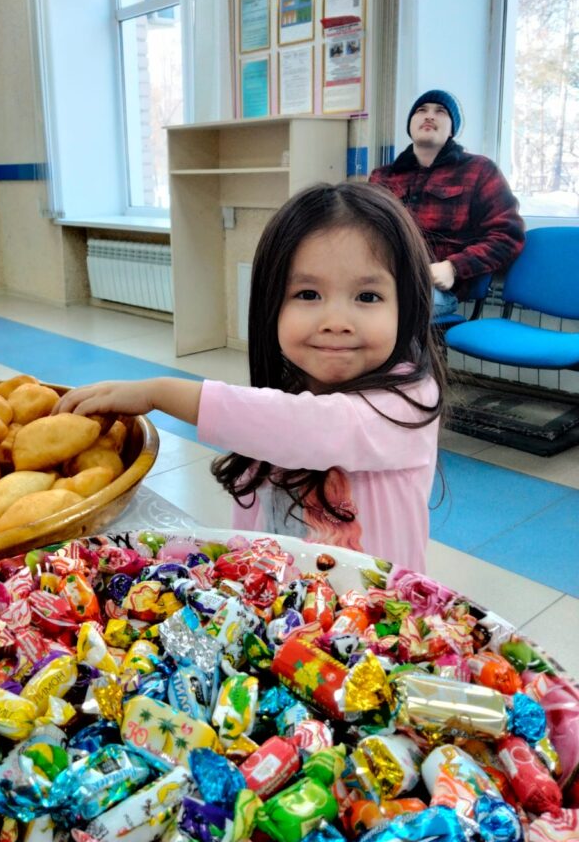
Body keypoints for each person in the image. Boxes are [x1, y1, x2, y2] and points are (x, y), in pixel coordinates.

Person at [54, 182, 445, 571]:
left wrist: (160, 392)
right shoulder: (280, 400)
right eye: (308, 294)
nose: (337, 323)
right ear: (271, 305)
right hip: (285, 612)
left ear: (406, 306)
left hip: (381, 619)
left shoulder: (410, 400)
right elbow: (255, 520)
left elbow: (311, 428)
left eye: (367, 297)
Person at [369, 89, 525, 317]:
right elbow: (361, 230)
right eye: (421, 110)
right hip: (381, 275)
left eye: (440, 111)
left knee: (387, 310)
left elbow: (507, 236)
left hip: (436, 287)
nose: (429, 116)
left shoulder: (479, 171)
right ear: (410, 124)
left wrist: (453, 267)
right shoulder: (383, 176)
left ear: (452, 129)